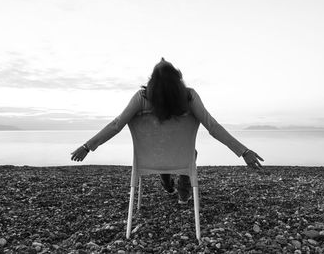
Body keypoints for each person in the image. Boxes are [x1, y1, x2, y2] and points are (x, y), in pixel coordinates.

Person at [71, 58, 264, 204]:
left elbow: (116, 125)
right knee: (190, 153)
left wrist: (87, 146)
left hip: (150, 159)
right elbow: (212, 127)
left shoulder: (141, 98)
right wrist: (243, 152)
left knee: (160, 152)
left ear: (152, 82)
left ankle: (166, 183)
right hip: (182, 158)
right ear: (179, 80)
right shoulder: (190, 97)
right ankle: (183, 191)